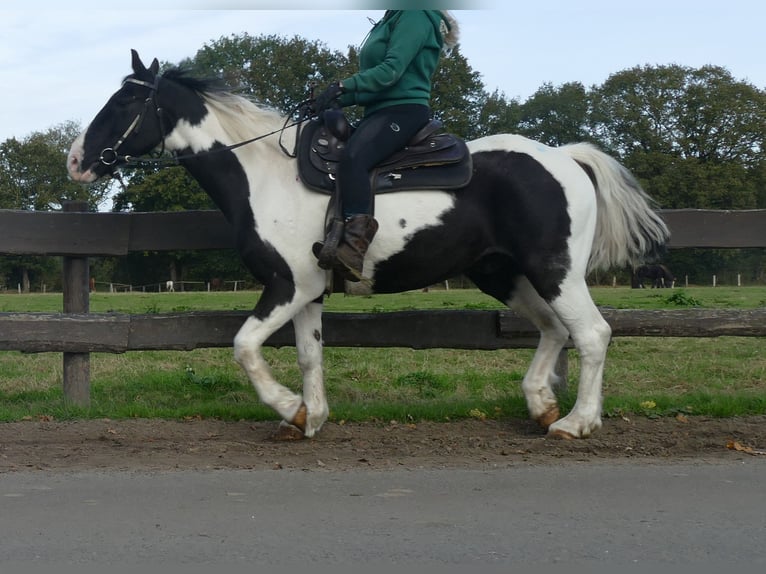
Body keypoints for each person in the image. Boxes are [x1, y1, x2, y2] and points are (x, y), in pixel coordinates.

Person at [311, 9, 459, 281]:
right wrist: (332, 99)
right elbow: (375, 87)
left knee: (354, 158)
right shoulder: (392, 17)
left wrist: (342, 85)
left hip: (403, 111)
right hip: (378, 112)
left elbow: (390, 72)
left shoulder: (415, 14)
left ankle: (355, 247)